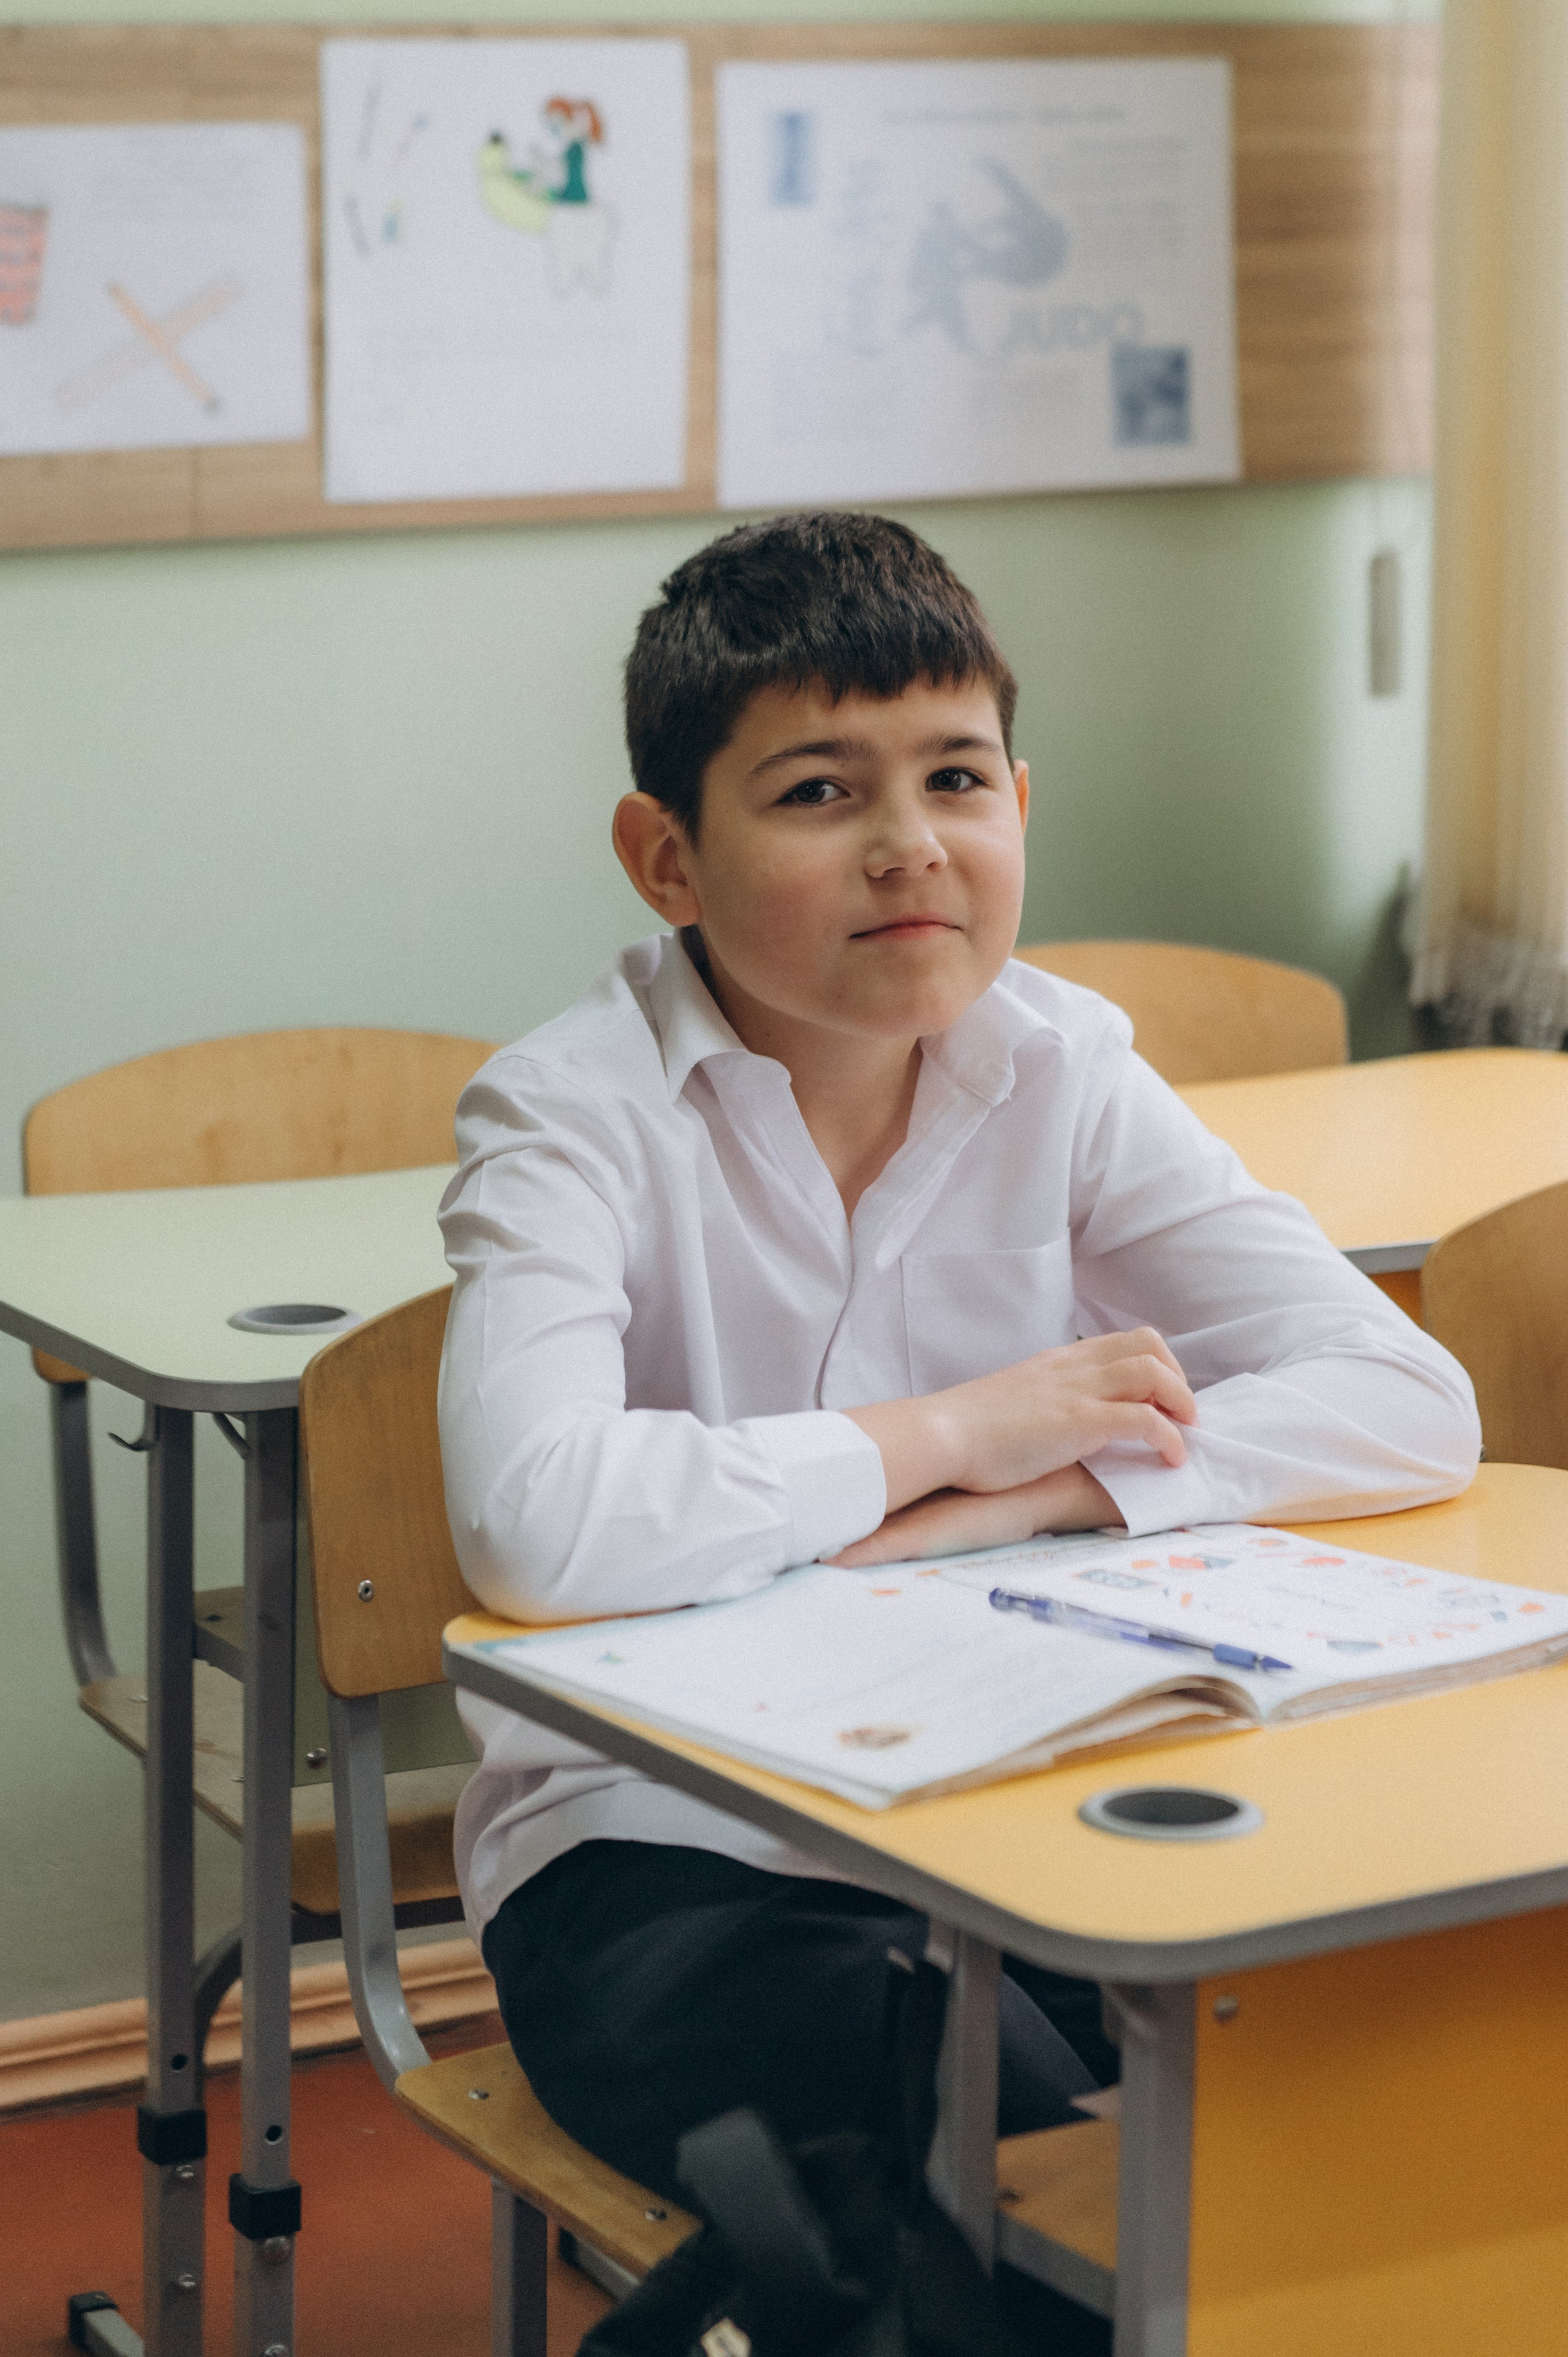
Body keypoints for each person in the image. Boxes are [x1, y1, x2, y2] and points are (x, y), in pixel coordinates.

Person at [437, 512, 1479, 2339]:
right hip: (670, 1857)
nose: (911, 844)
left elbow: (1405, 1400)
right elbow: (537, 1518)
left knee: (1313, 2110)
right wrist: (947, 1432)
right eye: (821, 791)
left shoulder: (1063, 1062)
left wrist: (1044, 1490)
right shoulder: (567, 1111)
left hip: (1014, 1806)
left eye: (958, 777)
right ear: (666, 858)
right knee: (983, 2190)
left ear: (1020, 802)